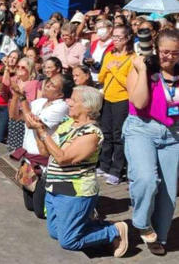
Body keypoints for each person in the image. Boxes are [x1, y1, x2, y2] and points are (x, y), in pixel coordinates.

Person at [28, 85, 128, 257]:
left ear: (88, 106)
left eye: (73, 100)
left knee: (69, 241)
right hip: (54, 187)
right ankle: (96, 227)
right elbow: (46, 152)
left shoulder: (92, 133)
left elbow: (62, 158)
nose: (68, 102)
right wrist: (36, 130)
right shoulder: (68, 123)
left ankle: (114, 231)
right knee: (55, 233)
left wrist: (42, 131)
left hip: (75, 191)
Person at [123, 29, 179, 255]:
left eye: (175, 53)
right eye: (165, 52)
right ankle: (143, 223)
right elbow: (138, 101)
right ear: (157, 49)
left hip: (173, 134)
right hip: (142, 128)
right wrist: (144, 70)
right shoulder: (140, 67)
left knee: (168, 192)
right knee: (146, 179)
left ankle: (160, 235)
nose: (169, 57)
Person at [13, 74, 70, 218]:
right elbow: (16, 116)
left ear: (60, 94)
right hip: (28, 160)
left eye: (52, 85)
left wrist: (22, 98)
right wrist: (15, 95)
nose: (47, 85)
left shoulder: (61, 107)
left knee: (41, 212)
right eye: (48, 82)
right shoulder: (40, 101)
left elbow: (31, 124)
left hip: (44, 163)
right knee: (30, 206)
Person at [97, 25, 134, 185]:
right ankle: (104, 165)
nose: (115, 40)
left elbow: (129, 84)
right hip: (108, 97)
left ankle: (117, 170)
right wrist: (108, 69)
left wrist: (116, 71)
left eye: (119, 37)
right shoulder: (109, 55)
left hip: (122, 99)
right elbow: (100, 77)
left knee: (119, 136)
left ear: (127, 39)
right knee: (106, 133)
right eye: (114, 36)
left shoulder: (133, 59)